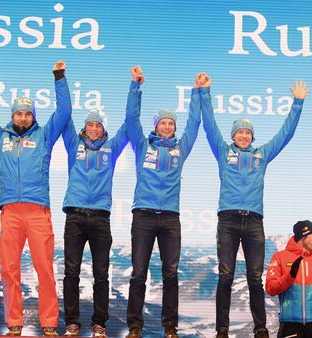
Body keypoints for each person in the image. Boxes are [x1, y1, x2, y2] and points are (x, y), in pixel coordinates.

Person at [0, 51, 72, 336]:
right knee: (10, 270)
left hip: (38, 210)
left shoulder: (44, 136)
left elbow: (63, 113)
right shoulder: (0, 136)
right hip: (10, 211)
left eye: (28, 113)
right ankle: (14, 324)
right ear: (12, 115)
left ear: (32, 116)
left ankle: (49, 324)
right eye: (18, 113)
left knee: (44, 269)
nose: (23, 117)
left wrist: (59, 79)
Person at [200, 73, 310, 338]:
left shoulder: (263, 155)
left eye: (248, 133)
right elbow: (209, 125)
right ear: (233, 136)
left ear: (252, 136)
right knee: (225, 275)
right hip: (227, 220)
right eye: (240, 132)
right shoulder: (223, 151)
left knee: (254, 278)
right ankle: (222, 329)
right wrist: (204, 92)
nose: (244, 136)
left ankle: (260, 328)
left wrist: (297, 104)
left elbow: (285, 134)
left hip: (253, 221)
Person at [124, 66, 202, 338]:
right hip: (143, 215)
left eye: (171, 123)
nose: (168, 126)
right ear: (155, 125)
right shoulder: (143, 146)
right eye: (163, 122)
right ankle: (135, 326)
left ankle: (170, 326)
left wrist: (197, 92)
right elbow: (131, 119)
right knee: (138, 273)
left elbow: (194, 124)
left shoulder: (181, 148)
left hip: (170, 217)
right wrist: (136, 87)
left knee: (171, 273)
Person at [61, 103, 128, 337]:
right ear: (84, 128)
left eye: (98, 125)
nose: (94, 128)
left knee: (101, 274)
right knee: (71, 272)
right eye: (90, 124)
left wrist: (135, 87)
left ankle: (99, 324)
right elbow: (64, 114)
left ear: (103, 129)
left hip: (100, 219)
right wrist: (60, 78)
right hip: (75, 217)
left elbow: (130, 123)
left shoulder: (112, 148)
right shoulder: (73, 144)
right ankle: (71, 323)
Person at [266, 220, 312, 338]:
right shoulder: (279, 257)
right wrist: (290, 276)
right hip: (290, 323)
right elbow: (271, 289)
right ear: (303, 235)